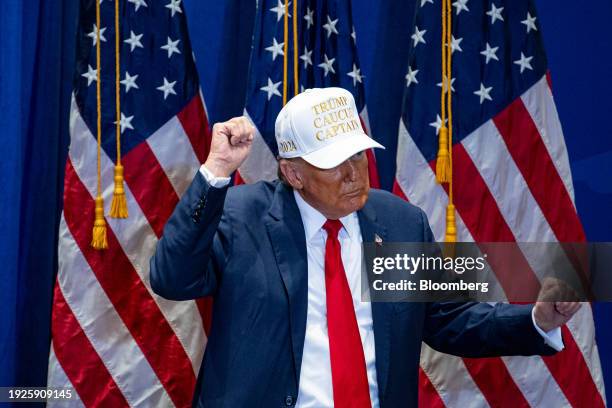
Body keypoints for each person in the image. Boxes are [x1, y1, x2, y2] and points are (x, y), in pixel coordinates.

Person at [150, 87, 580, 408]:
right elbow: (172, 279)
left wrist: (536, 319)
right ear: (293, 173)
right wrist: (217, 171)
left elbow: (449, 318)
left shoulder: (399, 223)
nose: (355, 173)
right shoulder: (242, 216)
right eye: (336, 163)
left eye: (358, 155)